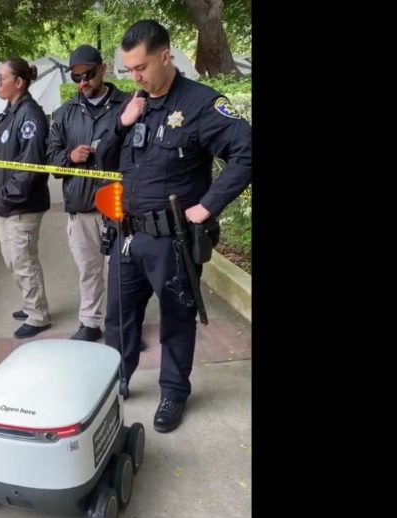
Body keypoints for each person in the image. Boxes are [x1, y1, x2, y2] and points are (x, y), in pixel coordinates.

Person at [102, 20, 252, 432]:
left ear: (165, 56)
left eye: (142, 67)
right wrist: (121, 124)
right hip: (128, 235)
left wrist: (207, 207)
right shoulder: (135, 103)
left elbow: (246, 151)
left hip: (172, 241)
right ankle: (118, 377)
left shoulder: (202, 104)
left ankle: (173, 393)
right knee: (117, 317)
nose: (135, 77)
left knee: (176, 318)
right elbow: (103, 160)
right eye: (129, 69)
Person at [46, 45, 131, 342]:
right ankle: (90, 323)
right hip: (81, 206)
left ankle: (123, 325)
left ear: (103, 69)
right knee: (88, 269)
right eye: (76, 77)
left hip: (118, 204)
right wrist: (70, 157)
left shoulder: (128, 105)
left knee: (123, 272)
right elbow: (51, 160)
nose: (83, 82)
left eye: (89, 75)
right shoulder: (64, 114)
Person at [0, 57, 53, 339]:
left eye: (1, 77)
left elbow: (30, 167)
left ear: (19, 82)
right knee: (13, 260)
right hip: (6, 204)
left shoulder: (31, 116)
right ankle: (30, 305)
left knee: (23, 260)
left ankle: (38, 315)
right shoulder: (10, 113)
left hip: (21, 205)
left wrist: (4, 198)